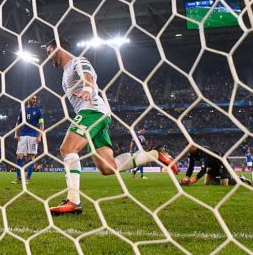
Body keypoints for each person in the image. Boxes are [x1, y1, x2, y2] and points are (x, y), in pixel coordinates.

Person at [44, 39, 177, 215]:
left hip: (92, 111)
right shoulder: (66, 71)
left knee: (67, 149)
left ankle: (73, 201)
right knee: (108, 167)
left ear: (58, 48)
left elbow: (88, 76)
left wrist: (88, 89)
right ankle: (155, 154)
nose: (48, 57)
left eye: (49, 52)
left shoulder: (78, 61)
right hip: (98, 114)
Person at [180, 145, 252, 186]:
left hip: (222, 162)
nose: (187, 150)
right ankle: (217, 180)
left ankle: (241, 179)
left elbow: (204, 169)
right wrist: (186, 177)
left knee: (224, 185)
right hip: (212, 165)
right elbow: (190, 166)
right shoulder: (191, 154)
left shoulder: (203, 151)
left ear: (194, 147)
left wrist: (194, 179)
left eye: (188, 148)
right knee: (207, 183)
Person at [12, 95, 44, 184]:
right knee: (19, 155)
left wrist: (40, 136)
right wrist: (16, 134)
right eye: (33, 98)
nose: (35, 100)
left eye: (36, 99)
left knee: (31, 157)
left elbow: (41, 124)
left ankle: (28, 179)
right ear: (28, 99)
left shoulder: (38, 111)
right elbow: (18, 123)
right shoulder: (22, 110)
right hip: (22, 135)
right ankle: (19, 178)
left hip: (33, 136)